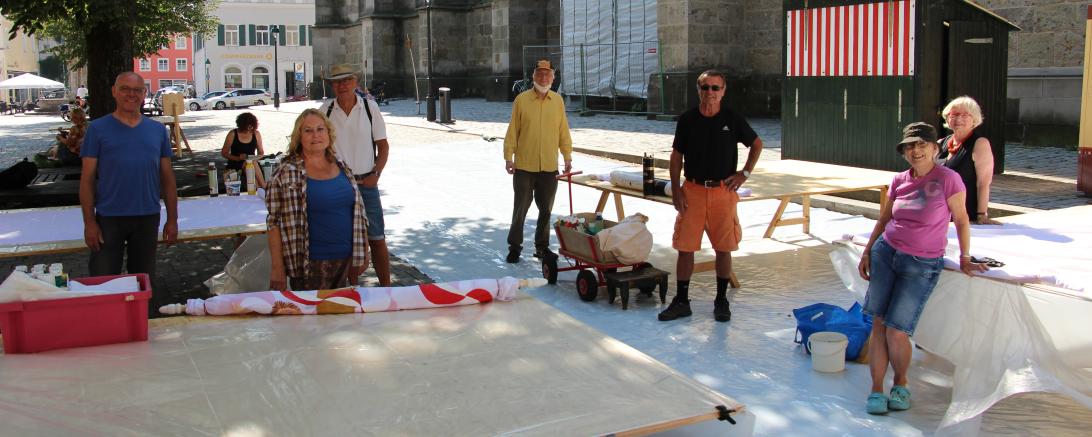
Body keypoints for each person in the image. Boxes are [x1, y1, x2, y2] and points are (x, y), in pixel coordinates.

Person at [857, 122, 988, 415]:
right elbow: (884, 219)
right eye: (909, 146)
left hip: (922, 262)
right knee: (878, 324)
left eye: (921, 145)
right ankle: (876, 389)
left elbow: (962, 220)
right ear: (903, 152)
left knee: (897, 330)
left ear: (934, 148)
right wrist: (867, 251)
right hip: (886, 254)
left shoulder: (948, 179)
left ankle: (901, 383)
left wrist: (966, 256)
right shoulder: (900, 180)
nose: (915, 151)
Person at [658, 70, 763, 323]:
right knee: (685, 247)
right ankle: (682, 300)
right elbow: (676, 156)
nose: (711, 93)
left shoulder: (732, 119)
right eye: (706, 88)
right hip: (692, 191)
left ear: (724, 91)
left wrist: (744, 174)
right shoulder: (687, 120)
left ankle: (721, 299)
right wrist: (676, 189)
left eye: (716, 88)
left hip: (722, 192)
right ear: (699, 90)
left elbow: (757, 144)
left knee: (723, 248)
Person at [79, 72, 178, 287]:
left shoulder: (158, 131)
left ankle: (142, 320)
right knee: (103, 281)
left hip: (147, 217)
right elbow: (86, 180)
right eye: (125, 88)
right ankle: (105, 321)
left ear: (144, 94)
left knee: (143, 282)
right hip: (109, 219)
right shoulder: (97, 129)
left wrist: (172, 219)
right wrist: (89, 223)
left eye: (137, 90)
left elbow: (168, 178)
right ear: (114, 91)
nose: (131, 94)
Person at [265, 109, 369, 290]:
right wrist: (277, 268)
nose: (316, 135)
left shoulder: (340, 165)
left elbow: (359, 212)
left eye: (321, 129)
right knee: (314, 317)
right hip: (307, 264)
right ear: (299, 136)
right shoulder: (285, 172)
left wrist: (363, 251)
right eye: (308, 130)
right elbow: (273, 223)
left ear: (329, 133)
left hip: (346, 259)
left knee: (342, 315)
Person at [318, 64, 392, 286]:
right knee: (345, 239)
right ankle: (351, 286)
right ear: (332, 85)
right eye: (337, 81)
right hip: (338, 185)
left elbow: (383, 146)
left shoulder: (369, 108)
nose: (342, 85)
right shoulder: (326, 110)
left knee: (376, 237)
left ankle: (387, 287)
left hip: (366, 181)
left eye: (346, 80)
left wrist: (376, 174)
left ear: (355, 82)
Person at [503, 58, 573, 263]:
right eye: (540, 73)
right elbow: (513, 130)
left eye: (547, 74)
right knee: (520, 208)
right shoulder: (522, 100)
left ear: (553, 77)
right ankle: (514, 247)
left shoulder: (558, 101)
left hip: (549, 167)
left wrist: (567, 156)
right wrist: (509, 157)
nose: (543, 77)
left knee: (546, 210)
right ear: (533, 76)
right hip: (524, 165)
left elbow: (563, 131)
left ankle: (542, 248)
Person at [938, 96, 999, 225]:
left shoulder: (980, 144)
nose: (958, 119)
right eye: (953, 114)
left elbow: (983, 183)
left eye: (965, 115)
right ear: (947, 118)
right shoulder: (941, 143)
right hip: (938, 214)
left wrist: (982, 215)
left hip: (963, 216)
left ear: (974, 119)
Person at [220, 112, 266, 190]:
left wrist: (254, 158)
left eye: (252, 126)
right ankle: (263, 187)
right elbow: (224, 153)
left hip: (251, 162)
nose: (250, 129)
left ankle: (259, 190)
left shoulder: (256, 134)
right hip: (236, 163)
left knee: (251, 164)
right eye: (248, 127)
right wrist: (238, 158)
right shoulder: (233, 134)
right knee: (251, 164)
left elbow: (261, 152)